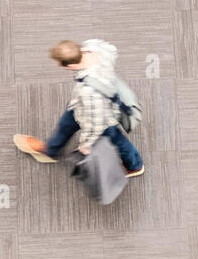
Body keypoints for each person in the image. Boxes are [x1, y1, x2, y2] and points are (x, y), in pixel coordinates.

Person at [13, 39, 144, 176]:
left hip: (104, 117)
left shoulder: (89, 91)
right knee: (66, 123)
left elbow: (96, 125)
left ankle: (135, 165)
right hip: (80, 107)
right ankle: (50, 150)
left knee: (116, 139)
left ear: (71, 66)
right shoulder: (95, 47)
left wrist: (86, 146)